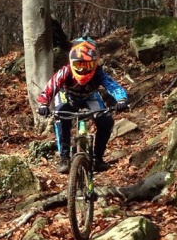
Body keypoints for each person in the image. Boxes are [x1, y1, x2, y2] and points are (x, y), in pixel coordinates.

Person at [36, 39, 128, 174]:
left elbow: (112, 85)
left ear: (95, 63)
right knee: (61, 118)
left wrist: (121, 99)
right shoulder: (65, 71)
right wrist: (43, 103)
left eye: (88, 65)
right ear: (72, 63)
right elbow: (51, 87)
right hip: (67, 96)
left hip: (90, 96)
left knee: (106, 121)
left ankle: (98, 158)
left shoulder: (98, 72)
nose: (83, 69)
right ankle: (64, 158)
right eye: (79, 65)